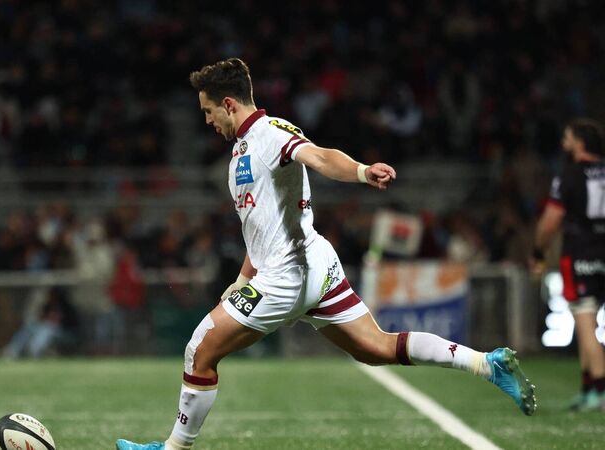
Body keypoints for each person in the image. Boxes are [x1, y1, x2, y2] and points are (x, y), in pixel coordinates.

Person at [117, 58, 535, 450]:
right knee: (376, 348)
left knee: (200, 349)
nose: (207, 121)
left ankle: (172, 448)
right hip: (313, 264)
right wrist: (242, 281)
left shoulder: (270, 133)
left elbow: (318, 156)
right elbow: (260, 229)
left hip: (287, 276)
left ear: (228, 104)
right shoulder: (243, 150)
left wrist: (361, 172)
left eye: (208, 111)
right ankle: (487, 364)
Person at [533, 118, 605, 411]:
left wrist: (538, 251)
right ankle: (588, 389)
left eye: (567, 137)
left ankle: (599, 388)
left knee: (585, 323)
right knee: (590, 323)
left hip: (580, 254)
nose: (564, 142)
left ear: (579, 142)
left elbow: (550, 221)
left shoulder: (569, 175)